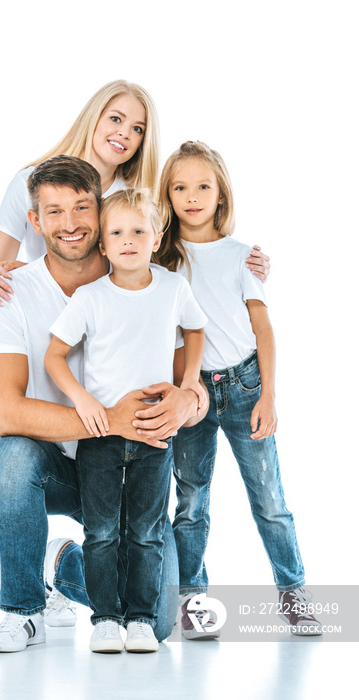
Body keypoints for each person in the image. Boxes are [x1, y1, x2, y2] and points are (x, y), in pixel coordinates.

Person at [0, 77, 270, 632]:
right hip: (42, 373)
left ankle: (67, 565)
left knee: (161, 620)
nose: (125, 134)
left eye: (137, 128)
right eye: (116, 119)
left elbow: (181, 258)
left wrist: (242, 262)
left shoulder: (130, 208)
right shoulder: (30, 182)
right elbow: (0, 269)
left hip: (113, 402)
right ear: (93, 117)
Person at [0, 155, 205, 653]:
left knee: (161, 623)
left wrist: (189, 397)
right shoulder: (7, 291)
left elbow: (194, 369)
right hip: (59, 464)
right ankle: (22, 609)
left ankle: (62, 566)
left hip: (138, 461)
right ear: (34, 222)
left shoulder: (146, 279)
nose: (70, 224)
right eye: (53, 212)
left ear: (100, 215)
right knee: (9, 457)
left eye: (82, 208)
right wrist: (108, 420)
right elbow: (7, 415)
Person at [154, 140, 322, 638]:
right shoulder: (161, 260)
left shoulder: (241, 256)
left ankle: (294, 594)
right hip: (192, 393)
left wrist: (269, 394)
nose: (191, 196)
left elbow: (263, 329)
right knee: (190, 502)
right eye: (180, 187)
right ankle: (193, 600)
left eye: (203, 186)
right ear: (167, 194)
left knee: (269, 497)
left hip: (245, 385)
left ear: (220, 195)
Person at [45, 189, 207, 652]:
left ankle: (138, 618)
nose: (128, 240)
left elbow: (195, 330)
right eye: (117, 232)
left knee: (146, 531)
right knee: (100, 531)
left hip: (156, 434)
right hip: (101, 435)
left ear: (156, 238)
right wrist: (82, 401)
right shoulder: (90, 296)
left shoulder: (173, 288)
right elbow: (56, 356)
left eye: (139, 231)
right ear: (103, 245)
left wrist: (189, 383)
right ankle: (106, 620)